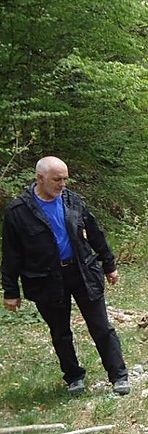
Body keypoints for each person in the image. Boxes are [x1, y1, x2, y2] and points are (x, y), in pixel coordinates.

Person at [1, 156, 130, 396]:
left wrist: (109, 265)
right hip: (45, 278)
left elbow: (95, 234)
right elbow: (11, 254)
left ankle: (119, 376)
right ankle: (74, 377)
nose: (62, 184)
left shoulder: (73, 201)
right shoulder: (18, 211)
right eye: (57, 179)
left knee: (101, 326)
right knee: (60, 332)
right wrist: (10, 290)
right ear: (40, 178)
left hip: (82, 272)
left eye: (65, 179)